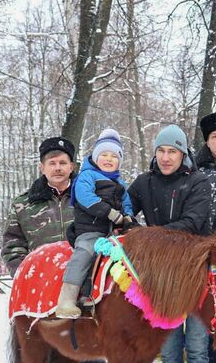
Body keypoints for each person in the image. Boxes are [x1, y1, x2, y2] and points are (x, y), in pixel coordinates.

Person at [128, 124, 212, 362]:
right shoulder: (144, 182)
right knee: (167, 350)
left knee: (196, 349)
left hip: (194, 272)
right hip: (161, 276)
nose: (165, 158)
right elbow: (124, 213)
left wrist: (147, 236)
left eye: (172, 152)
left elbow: (191, 224)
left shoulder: (198, 181)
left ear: (183, 154)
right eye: (161, 151)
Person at [56, 128, 134, 319]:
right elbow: (85, 197)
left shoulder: (120, 183)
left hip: (112, 233)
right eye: (104, 155)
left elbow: (127, 203)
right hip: (91, 230)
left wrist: (129, 219)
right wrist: (109, 213)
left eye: (114, 156)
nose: (108, 159)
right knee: (86, 252)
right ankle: (67, 297)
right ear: (96, 157)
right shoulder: (87, 176)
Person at [1, 136, 76, 277]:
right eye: (52, 163)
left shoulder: (89, 200)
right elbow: (12, 247)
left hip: (85, 283)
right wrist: (24, 275)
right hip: (40, 281)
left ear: (71, 167)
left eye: (63, 163)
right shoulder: (23, 204)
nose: (58, 168)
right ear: (42, 168)